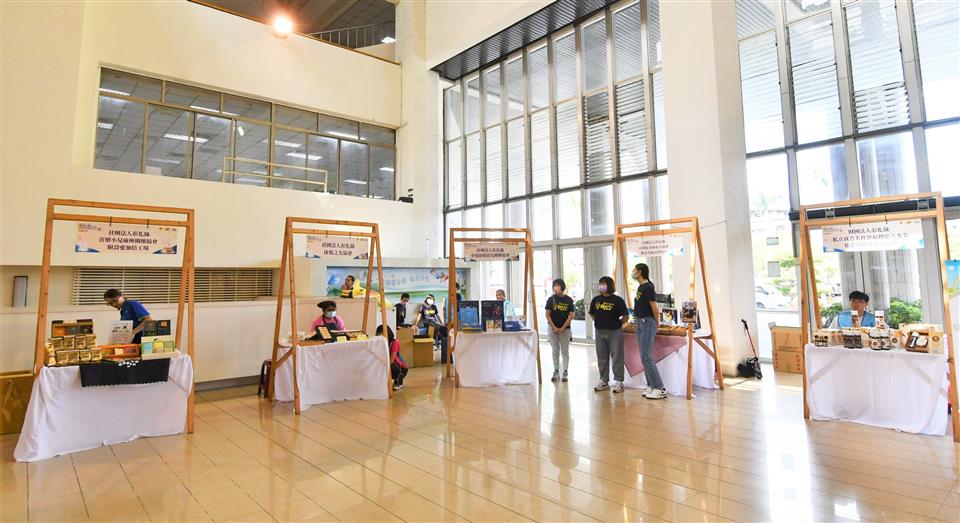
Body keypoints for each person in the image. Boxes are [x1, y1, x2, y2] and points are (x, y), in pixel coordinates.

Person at [589, 276, 629, 393]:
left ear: (609, 285)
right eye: (600, 283)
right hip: (599, 331)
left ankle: (619, 382)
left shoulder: (618, 300)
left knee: (617, 357)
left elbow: (625, 316)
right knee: (601, 357)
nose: (601, 286)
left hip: (615, 332)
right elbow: (592, 313)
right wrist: (599, 321)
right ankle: (604, 381)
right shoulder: (596, 300)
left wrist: (618, 323)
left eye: (603, 283)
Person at [633, 263, 666, 400]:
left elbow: (654, 307)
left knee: (647, 355)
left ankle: (659, 388)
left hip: (647, 322)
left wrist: (656, 324)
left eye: (635, 270)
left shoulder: (648, 287)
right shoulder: (640, 287)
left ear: (640, 272)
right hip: (640, 322)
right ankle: (651, 385)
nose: (633, 272)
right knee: (643, 356)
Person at [545, 278, 575, 383]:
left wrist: (562, 328)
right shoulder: (551, 299)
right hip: (552, 328)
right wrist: (554, 327)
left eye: (557, 285)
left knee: (565, 351)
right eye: (554, 286)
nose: (555, 288)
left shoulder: (568, 300)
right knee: (555, 350)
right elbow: (547, 314)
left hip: (565, 329)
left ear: (562, 287)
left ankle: (565, 372)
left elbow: (571, 315)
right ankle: (556, 371)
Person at [411, 294, 450, 363]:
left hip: (434, 321)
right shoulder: (423, 306)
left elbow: (437, 316)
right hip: (427, 321)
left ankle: (440, 343)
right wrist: (416, 324)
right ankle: (436, 344)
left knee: (442, 327)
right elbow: (420, 315)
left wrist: (442, 323)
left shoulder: (434, 306)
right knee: (436, 327)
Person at [377, 325, 407, 391]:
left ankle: (399, 381)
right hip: (392, 364)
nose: (381, 337)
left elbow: (392, 359)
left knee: (390, 365)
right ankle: (396, 380)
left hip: (401, 368)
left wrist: (384, 366)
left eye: (382, 334)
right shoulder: (384, 343)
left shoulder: (395, 342)